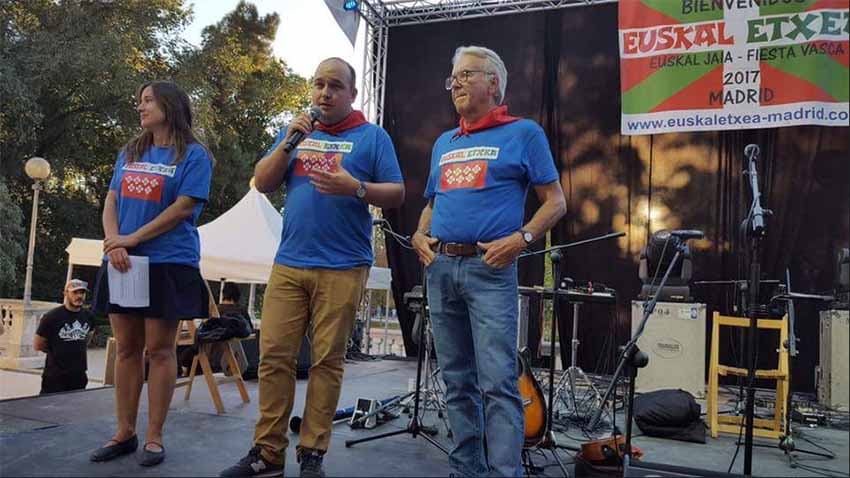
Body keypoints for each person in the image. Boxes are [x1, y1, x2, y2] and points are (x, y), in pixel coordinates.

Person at [220, 57, 404, 478]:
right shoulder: (297, 133)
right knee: (274, 358)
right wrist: (289, 141)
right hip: (289, 263)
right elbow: (262, 181)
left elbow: (396, 193)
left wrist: (355, 187)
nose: (325, 92)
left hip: (343, 266)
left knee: (326, 362)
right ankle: (267, 454)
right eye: (319, 84)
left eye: (335, 85)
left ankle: (312, 453)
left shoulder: (372, 138)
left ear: (352, 94)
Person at [411, 45, 566, 477]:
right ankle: (466, 469)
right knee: (457, 381)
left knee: (498, 383)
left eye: (465, 75)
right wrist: (420, 234)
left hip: (490, 271)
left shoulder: (524, 133)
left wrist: (522, 238)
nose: (456, 83)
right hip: (441, 269)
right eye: (452, 78)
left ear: (493, 82)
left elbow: (556, 202)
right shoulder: (445, 141)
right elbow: (431, 204)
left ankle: (503, 473)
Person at [90, 80, 214, 467]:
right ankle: (123, 432)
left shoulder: (194, 156)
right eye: (139, 100)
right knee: (126, 349)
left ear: (169, 106)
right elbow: (111, 199)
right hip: (123, 260)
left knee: (159, 351)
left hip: (167, 262)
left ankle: (154, 437)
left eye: (147, 101)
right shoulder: (130, 151)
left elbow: (182, 209)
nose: (140, 107)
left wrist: (133, 238)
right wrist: (115, 242)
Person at [34, 279, 94, 394]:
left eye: (82, 292)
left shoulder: (89, 316)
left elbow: (87, 339)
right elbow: (38, 344)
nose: (79, 296)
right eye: (75, 292)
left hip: (78, 375)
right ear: (66, 293)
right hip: (55, 375)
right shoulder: (51, 317)